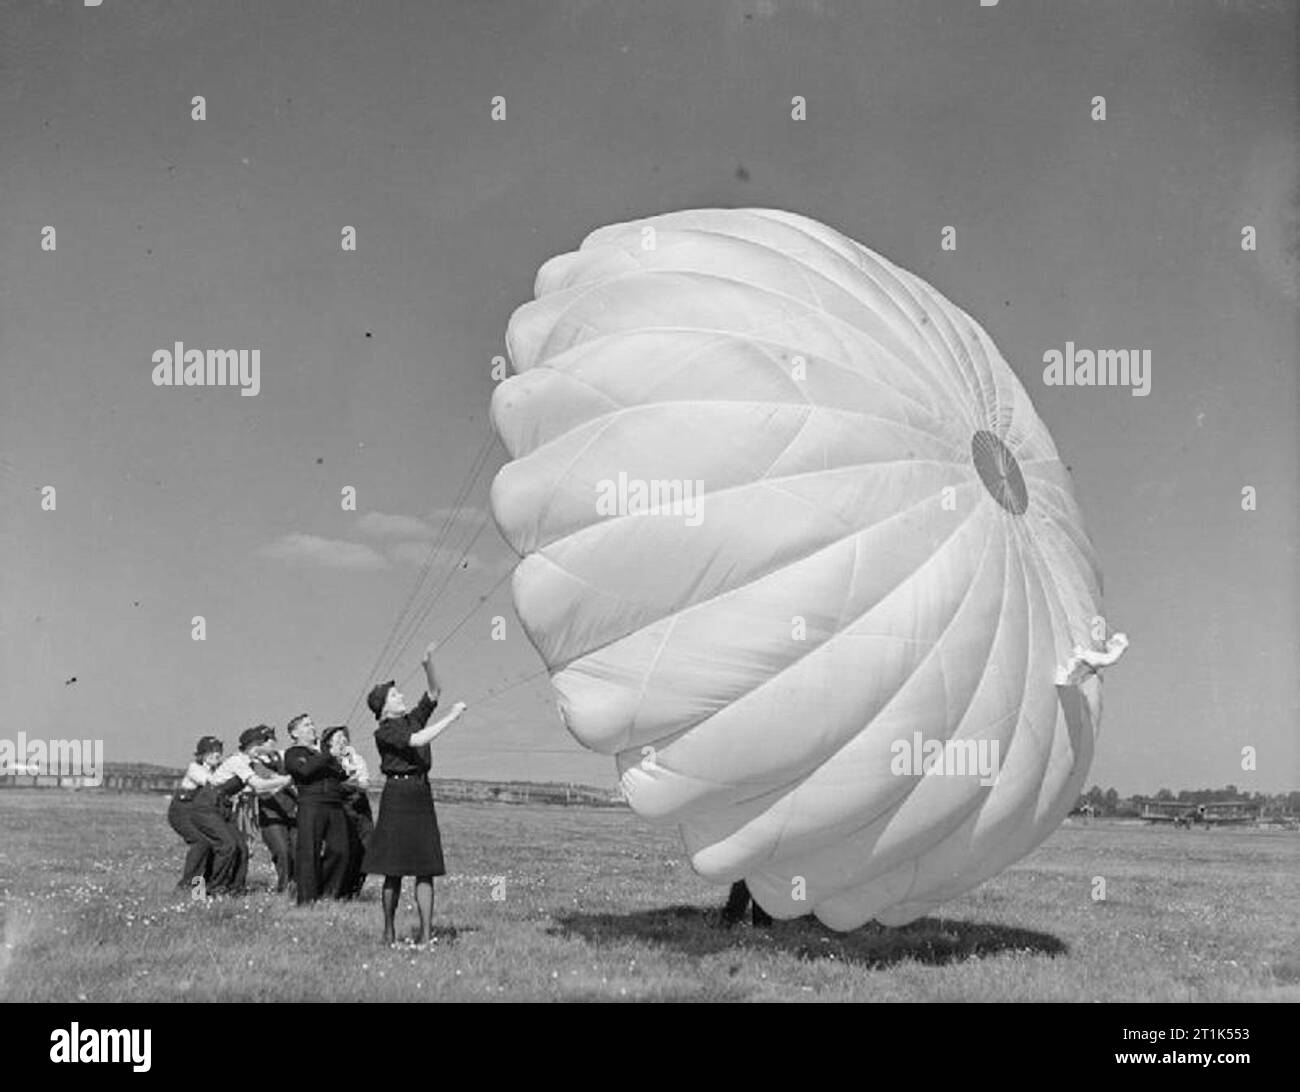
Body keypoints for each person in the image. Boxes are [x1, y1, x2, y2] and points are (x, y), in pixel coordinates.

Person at [362, 641, 467, 945]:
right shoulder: (386, 730)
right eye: (395, 695)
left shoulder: (409, 719)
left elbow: (434, 694)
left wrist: (427, 665)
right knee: (393, 869)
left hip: (420, 793)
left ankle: (426, 934)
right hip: (398, 795)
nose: (401, 696)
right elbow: (418, 739)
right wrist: (452, 717)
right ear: (383, 707)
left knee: (425, 867)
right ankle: (388, 931)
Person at [211, 727, 295, 894]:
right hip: (207, 806)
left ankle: (235, 889)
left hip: (222, 807)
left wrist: (288, 780)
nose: (266, 747)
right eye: (261, 744)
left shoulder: (250, 762)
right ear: (253, 746)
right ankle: (207, 890)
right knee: (214, 849)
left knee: (241, 848)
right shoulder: (238, 761)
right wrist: (287, 781)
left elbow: (269, 778)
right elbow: (259, 785)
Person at [284, 713, 350, 904]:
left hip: (334, 805)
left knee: (341, 850)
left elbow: (342, 775)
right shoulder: (294, 753)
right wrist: (328, 754)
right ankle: (306, 898)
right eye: (306, 725)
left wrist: (341, 755)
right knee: (308, 851)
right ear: (294, 733)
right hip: (311, 804)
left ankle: (329, 893)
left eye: (312, 724)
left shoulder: (321, 754)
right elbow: (304, 770)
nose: (312, 728)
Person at [321, 725, 372, 899]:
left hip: (360, 806)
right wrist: (349, 783)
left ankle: (354, 889)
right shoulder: (326, 760)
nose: (343, 740)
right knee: (345, 849)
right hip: (340, 806)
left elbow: (363, 783)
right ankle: (337, 889)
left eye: (344, 737)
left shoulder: (355, 758)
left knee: (365, 848)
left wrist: (348, 783)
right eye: (338, 737)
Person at [167, 736, 223, 892]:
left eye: (219, 751)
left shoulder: (217, 769)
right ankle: (187, 885)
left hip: (199, 812)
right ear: (201, 754)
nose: (216, 755)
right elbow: (212, 783)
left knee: (213, 843)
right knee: (201, 842)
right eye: (211, 752)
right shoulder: (195, 768)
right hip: (182, 811)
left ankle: (202, 886)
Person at [250, 724, 298, 893]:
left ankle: (293, 887)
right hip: (270, 814)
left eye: (271, 739)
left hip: (289, 812)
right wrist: (285, 780)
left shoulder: (281, 756)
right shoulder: (250, 764)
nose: (271, 742)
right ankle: (200, 891)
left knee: (296, 850)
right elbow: (265, 784)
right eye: (265, 740)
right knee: (282, 851)